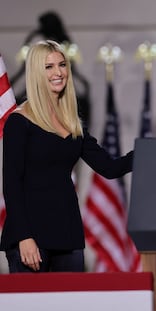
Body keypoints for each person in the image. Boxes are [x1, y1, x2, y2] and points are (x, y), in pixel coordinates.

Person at [0, 40, 134, 273]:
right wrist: (24, 237)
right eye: (49, 66)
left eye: (62, 65)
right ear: (35, 72)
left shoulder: (72, 123)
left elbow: (110, 168)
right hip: (31, 238)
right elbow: (11, 184)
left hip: (68, 237)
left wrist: (151, 148)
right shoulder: (19, 122)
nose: (58, 72)